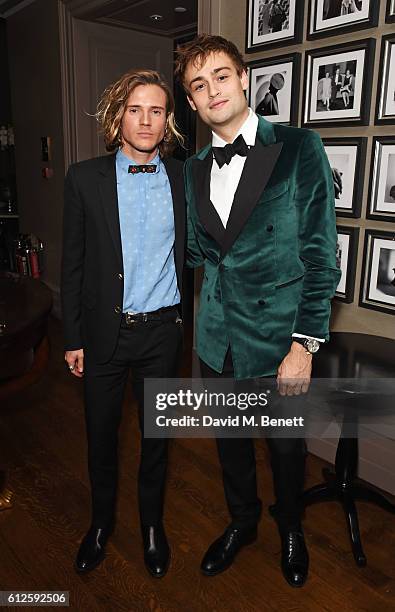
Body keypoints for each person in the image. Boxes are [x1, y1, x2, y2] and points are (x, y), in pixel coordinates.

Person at [175, 34, 340, 587]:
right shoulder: (193, 168)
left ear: (244, 78)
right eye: (199, 85)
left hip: (278, 338)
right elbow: (199, 253)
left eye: (221, 75)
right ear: (192, 103)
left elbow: (322, 259)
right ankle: (242, 521)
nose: (212, 90)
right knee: (230, 448)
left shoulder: (298, 147)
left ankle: (290, 526)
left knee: (285, 449)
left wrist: (305, 344)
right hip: (217, 333)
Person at [61, 69, 185, 577]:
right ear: (118, 116)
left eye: (156, 110)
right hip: (103, 336)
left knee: (157, 439)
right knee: (102, 438)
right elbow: (72, 264)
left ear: (167, 121)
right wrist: (73, 338)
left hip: (161, 334)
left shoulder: (184, 177)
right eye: (135, 109)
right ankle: (100, 524)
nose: (145, 120)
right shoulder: (83, 177)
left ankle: (151, 525)